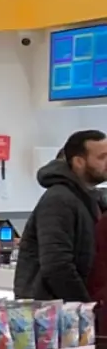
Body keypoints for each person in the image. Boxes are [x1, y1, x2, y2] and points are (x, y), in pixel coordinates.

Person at [18, 129, 107, 302]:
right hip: (53, 308)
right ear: (79, 162)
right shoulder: (59, 199)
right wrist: (85, 305)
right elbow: (57, 264)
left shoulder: (91, 198)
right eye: (102, 157)